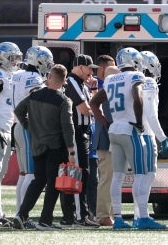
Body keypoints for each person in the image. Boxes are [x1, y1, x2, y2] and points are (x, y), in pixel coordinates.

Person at [90, 47, 157, 229]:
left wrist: (105, 122)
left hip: (114, 131)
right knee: (140, 175)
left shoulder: (111, 79)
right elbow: (137, 98)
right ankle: (142, 217)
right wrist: (139, 122)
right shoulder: (136, 77)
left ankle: (118, 218)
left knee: (117, 177)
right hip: (129, 129)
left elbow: (94, 102)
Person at [13, 64, 75, 230]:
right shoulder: (64, 100)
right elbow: (68, 127)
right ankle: (45, 220)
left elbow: (18, 111)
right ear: (64, 81)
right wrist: (71, 150)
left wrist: (30, 127)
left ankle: (22, 214)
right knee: (54, 184)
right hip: (55, 146)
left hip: (37, 144)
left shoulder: (34, 96)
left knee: (38, 180)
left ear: (49, 77)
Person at [12, 46, 54, 216]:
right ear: (39, 60)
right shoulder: (34, 78)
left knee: (23, 174)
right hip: (29, 126)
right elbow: (36, 101)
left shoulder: (18, 75)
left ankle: (18, 213)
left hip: (17, 125)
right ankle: (22, 215)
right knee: (31, 173)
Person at [60, 54, 100, 228]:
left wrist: (93, 91)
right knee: (78, 173)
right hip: (76, 133)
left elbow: (92, 106)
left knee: (83, 172)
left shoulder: (82, 84)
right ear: (80, 67)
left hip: (83, 132)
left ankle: (76, 215)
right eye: (89, 68)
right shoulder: (72, 82)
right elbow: (85, 110)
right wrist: (97, 111)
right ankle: (78, 216)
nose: (91, 72)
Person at [0, 42, 22, 226]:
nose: (15, 61)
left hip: (6, 126)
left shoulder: (9, 74)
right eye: (12, 58)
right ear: (2, 57)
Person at [136, 51, 168, 229]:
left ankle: (138, 215)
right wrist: (162, 136)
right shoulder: (149, 82)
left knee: (139, 176)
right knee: (148, 175)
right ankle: (142, 216)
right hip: (146, 133)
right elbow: (150, 113)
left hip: (134, 132)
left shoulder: (135, 79)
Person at [94, 64, 117, 226]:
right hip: (105, 139)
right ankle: (103, 215)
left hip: (108, 137)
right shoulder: (109, 89)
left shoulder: (110, 88)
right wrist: (106, 123)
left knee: (113, 177)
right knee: (107, 177)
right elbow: (94, 105)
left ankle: (109, 213)